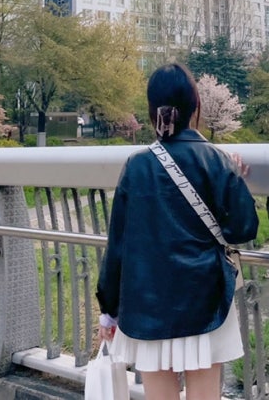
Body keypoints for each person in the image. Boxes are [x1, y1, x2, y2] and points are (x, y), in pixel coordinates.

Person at [96, 62, 259, 400]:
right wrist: (237, 184)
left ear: (153, 109)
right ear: (195, 106)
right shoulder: (218, 161)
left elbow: (118, 246)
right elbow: (242, 228)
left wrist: (109, 311)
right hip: (205, 298)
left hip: (148, 303)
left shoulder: (137, 165)